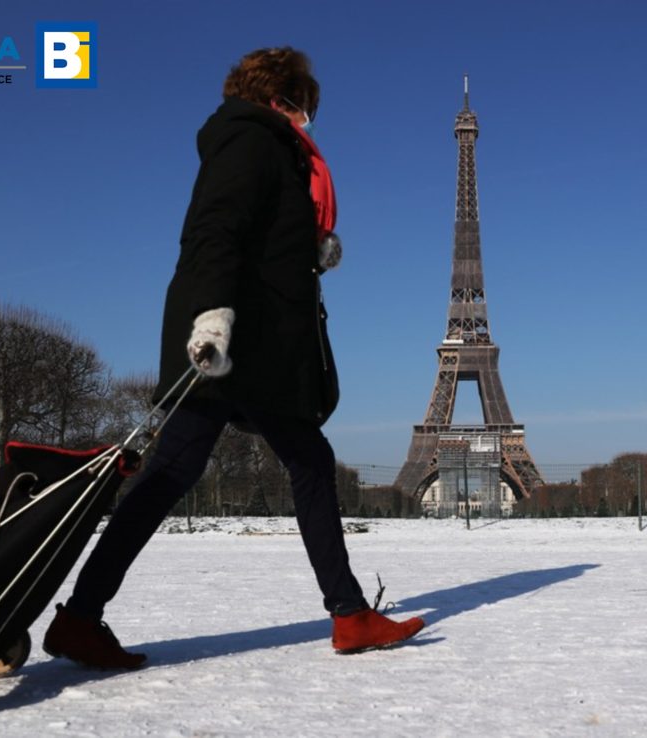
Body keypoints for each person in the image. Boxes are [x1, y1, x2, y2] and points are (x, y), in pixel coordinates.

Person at [42, 47, 424, 669]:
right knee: (297, 462)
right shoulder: (251, 140)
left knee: (179, 473)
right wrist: (212, 317)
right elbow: (215, 229)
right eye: (305, 105)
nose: (309, 118)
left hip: (254, 343)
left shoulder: (267, 145)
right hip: (239, 341)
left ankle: (81, 618)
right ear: (282, 98)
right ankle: (349, 615)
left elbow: (259, 232)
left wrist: (309, 249)